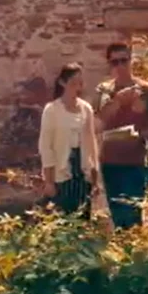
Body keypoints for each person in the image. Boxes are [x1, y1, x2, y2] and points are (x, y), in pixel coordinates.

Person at [93, 42, 148, 228]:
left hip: (135, 162)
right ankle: (122, 255)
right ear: (109, 65)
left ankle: (135, 255)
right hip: (109, 162)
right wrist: (117, 101)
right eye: (114, 62)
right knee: (117, 218)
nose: (120, 67)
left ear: (131, 61)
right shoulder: (103, 91)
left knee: (133, 217)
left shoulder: (147, 91)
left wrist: (140, 134)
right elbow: (96, 124)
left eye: (123, 61)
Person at [38, 62, 100, 216]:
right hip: (62, 172)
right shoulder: (52, 110)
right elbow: (46, 147)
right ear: (62, 83)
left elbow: (91, 144)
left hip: (82, 172)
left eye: (79, 83)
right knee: (61, 219)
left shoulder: (86, 109)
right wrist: (49, 181)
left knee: (82, 218)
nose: (77, 87)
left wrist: (94, 177)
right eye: (73, 83)